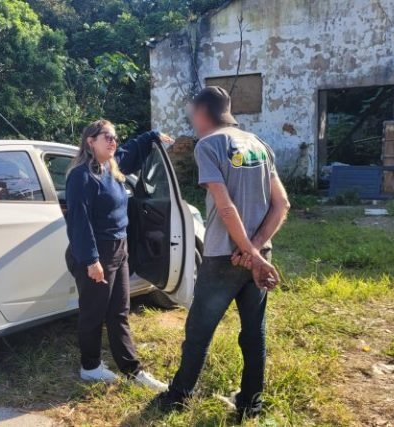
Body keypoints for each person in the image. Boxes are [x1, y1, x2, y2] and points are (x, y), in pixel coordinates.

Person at [154, 87, 291, 420]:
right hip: (258, 257)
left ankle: (178, 397)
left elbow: (226, 207)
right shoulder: (259, 145)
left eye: (192, 116)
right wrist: (256, 251)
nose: (193, 122)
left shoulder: (209, 145)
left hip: (222, 258)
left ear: (203, 113)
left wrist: (248, 252)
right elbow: (282, 204)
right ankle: (251, 404)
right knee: (254, 332)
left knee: (199, 331)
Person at [65, 119, 172, 391]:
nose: (114, 142)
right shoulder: (81, 176)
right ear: (91, 141)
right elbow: (79, 222)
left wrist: (152, 136)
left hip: (119, 249)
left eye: (115, 137)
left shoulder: (111, 166)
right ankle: (90, 367)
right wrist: (91, 260)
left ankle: (132, 370)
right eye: (107, 137)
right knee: (93, 312)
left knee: (119, 312)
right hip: (97, 253)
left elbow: (131, 149)